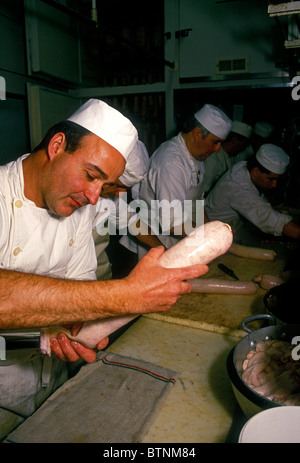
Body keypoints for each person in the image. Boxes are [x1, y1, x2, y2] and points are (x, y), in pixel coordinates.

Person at [0, 99, 208, 425]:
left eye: (105, 184)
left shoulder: (81, 205)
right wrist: (123, 296)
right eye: (90, 175)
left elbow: (79, 290)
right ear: (57, 146)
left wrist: (65, 330)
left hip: (53, 381)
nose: (96, 197)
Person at [136, 104, 232, 254]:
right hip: (159, 241)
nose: (218, 149)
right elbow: (171, 221)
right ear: (198, 133)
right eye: (215, 142)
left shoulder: (196, 157)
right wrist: (210, 237)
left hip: (184, 238)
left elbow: (197, 204)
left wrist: (209, 229)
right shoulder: (171, 162)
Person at [93, 139, 160, 280]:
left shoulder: (108, 197)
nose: (119, 194)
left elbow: (133, 222)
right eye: (115, 185)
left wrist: (162, 250)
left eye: (124, 189)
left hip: (99, 274)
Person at [205, 144, 300, 242]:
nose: (274, 184)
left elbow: (261, 206)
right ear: (255, 171)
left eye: (277, 180)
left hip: (231, 229)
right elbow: (270, 220)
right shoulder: (239, 188)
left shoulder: (244, 166)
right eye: (271, 179)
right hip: (211, 236)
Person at [202, 120, 253, 195]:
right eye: (243, 145)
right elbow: (202, 191)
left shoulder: (232, 157)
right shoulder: (213, 160)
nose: (243, 149)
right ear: (233, 141)